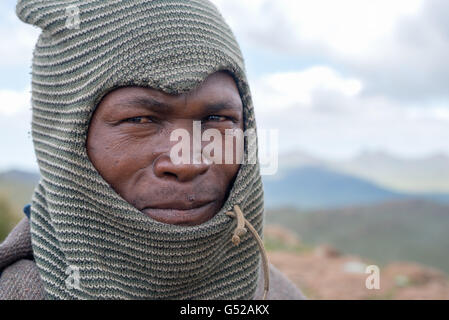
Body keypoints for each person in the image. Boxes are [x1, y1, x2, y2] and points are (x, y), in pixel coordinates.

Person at [0, 0, 305, 300]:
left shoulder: (274, 291)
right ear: (60, 137)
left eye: (216, 119)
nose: (188, 161)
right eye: (139, 119)